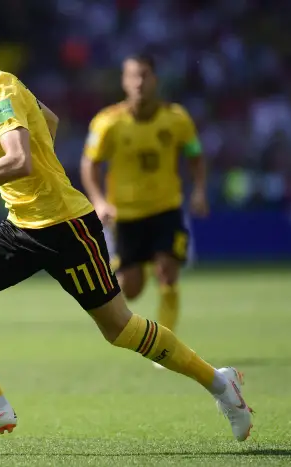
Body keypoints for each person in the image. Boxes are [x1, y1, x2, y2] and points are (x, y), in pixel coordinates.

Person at [0, 14, 251, 444]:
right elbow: (48, 120)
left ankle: (220, 384)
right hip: (21, 226)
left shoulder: (1, 93)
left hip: (66, 228)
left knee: (120, 329)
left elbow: (19, 160)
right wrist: (38, 176)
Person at [80, 55, 208, 355]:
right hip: (126, 216)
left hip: (166, 209)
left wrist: (200, 189)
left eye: (145, 75)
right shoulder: (108, 122)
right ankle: (142, 267)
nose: (139, 82)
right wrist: (99, 201)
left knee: (167, 272)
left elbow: (195, 153)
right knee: (131, 290)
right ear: (124, 82)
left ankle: (166, 348)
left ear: (156, 79)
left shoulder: (177, 118)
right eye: (133, 76)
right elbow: (90, 164)